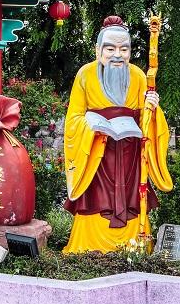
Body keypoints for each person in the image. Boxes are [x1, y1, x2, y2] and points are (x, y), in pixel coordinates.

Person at [62, 15, 172, 253]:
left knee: (132, 198)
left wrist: (152, 107)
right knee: (95, 200)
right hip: (96, 154)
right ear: (98, 50)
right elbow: (73, 120)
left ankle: (133, 246)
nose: (117, 55)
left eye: (124, 49)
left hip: (130, 154)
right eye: (110, 48)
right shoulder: (85, 75)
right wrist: (90, 128)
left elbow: (149, 120)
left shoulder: (139, 76)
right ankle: (87, 247)